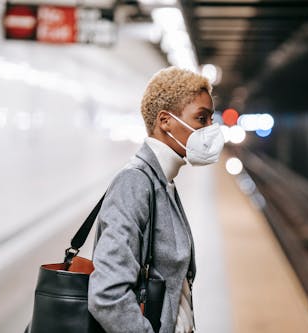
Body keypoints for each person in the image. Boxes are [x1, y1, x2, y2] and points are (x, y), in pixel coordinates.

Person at [87, 66, 225, 333]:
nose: (210, 128)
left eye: (211, 119)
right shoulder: (135, 183)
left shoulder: (162, 181)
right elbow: (107, 294)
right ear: (165, 121)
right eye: (202, 118)